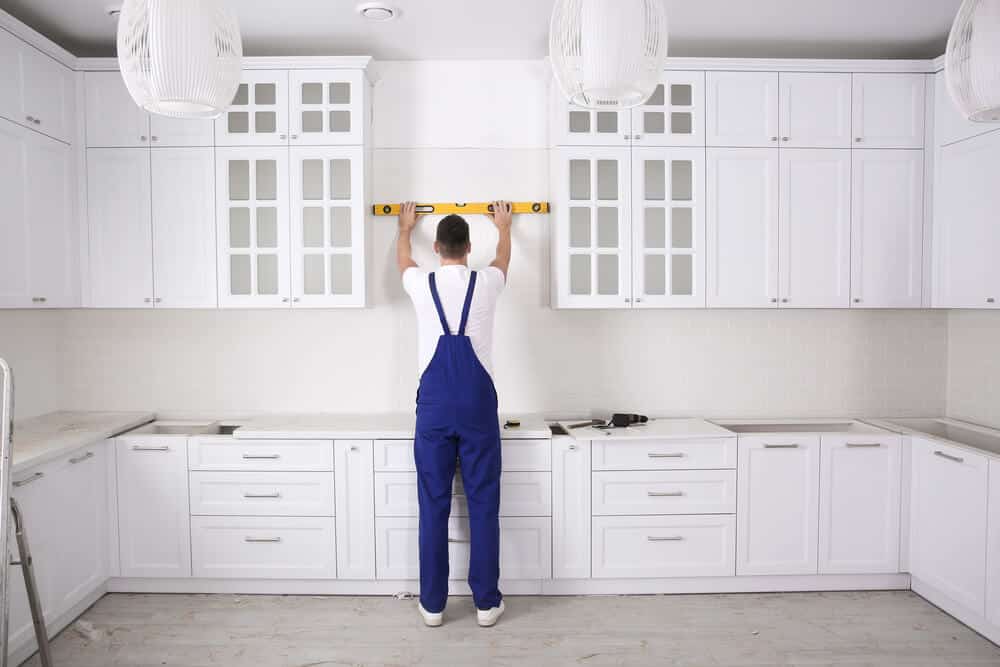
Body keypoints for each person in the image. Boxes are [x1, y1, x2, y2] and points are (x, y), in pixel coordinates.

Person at [397, 200, 514, 628]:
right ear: (468, 247)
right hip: (478, 406)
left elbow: (402, 259)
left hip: (434, 408)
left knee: (433, 504)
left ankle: (432, 605)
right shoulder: (486, 283)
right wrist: (504, 227)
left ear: (437, 246)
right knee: (484, 503)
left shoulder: (419, 282)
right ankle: (486, 603)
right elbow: (503, 259)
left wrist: (404, 227)